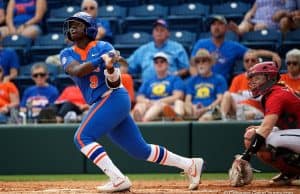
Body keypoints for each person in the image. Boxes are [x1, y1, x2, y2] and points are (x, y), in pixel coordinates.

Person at [59, 12, 204, 192]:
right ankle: (190, 164)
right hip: (104, 103)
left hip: (113, 97)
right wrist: (101, 61)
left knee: (82, 137)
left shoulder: (104, 46)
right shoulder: (66, 53)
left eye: (78, 24)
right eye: (71, 24)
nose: (72, 27)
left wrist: (110, 67)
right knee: (140, 150)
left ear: (89, 29)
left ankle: (118, 179)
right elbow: (77, 70)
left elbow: (113, 81)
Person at [235, 61, 300, 186]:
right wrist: (260, 129)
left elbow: (266, 129)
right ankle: (290, 172)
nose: (253, 82)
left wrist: (246, 156)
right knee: (251, 135)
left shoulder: (276, 95)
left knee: (271, 139)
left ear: (270, 78)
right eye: (253, 78)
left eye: (258, 78)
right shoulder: (274, 92)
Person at [191, 15, 281, 82]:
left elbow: (253, 53)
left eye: (220, 24)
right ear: (210, 28)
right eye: (213, 24)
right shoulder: (201, 44)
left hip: (221, 85)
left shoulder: (233, 46)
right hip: (201, 83)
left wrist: (273, 54)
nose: (216, 27)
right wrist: (198, 82)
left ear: (226, 28)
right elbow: (192, 65)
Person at [131, 52, 185, 122]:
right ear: (154, 65)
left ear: (167, 64)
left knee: (159, 105)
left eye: (162, 61)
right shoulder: (149, 81)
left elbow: (178, 96)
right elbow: (139, 97)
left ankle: (144, 122)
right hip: (150, 105)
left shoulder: (175, 79)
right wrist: (148, 101)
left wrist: (158, 102)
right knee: (140, 105)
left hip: (168, 107)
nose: (159, 64)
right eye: (156, 62)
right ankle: (136, 121)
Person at [184, 49, 227, 121]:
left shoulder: (219, 79)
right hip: (195, 110)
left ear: (210, 63)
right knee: (182, 107)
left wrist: (206, 109)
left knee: (204, 118)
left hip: (212, 110)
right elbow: (188, 100)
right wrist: (193, 107)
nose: (201, 64)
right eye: (198, 62)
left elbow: (220, 99)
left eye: (204, 61)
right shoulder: (192, 80)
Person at [220, 50, 264, 121]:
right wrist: (245, 96)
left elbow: (261, 96)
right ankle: (222, 119)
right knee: (227, 94)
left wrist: (242, 93)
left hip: (255, 110)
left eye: (253, 60)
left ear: (258, 62)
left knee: (246, 114)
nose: (250, 63)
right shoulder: (237, 78)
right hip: (238, 108)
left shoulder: (263, 78)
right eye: (247, 61)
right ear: (243, 63)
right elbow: (232, 97)